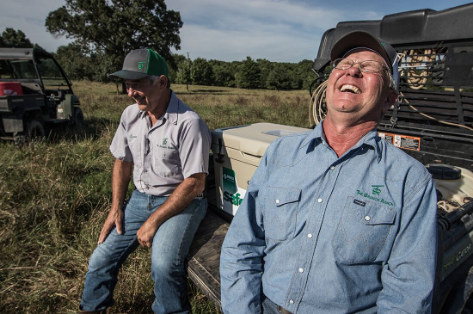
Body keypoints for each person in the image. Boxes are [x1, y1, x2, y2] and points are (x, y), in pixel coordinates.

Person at [220, 31, 438, 313]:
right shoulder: (280, 154)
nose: (353, 70)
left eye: (371, 67)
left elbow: (408, 292)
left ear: (389, 99)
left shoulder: (410, 180)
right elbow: (242, 245)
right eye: (343, 64)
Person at [78, 49, 211, 314]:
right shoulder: (130, 115)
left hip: (181, 202)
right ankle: (91, 309)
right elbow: (123, 161)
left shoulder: (189, 123)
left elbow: (195, 183)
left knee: (163, 265)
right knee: (100, 258)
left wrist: (154, 221)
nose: (130, 92)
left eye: (137, 85)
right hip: (140, 198)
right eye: (127, 85)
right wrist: (116, 207)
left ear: (161, 83)